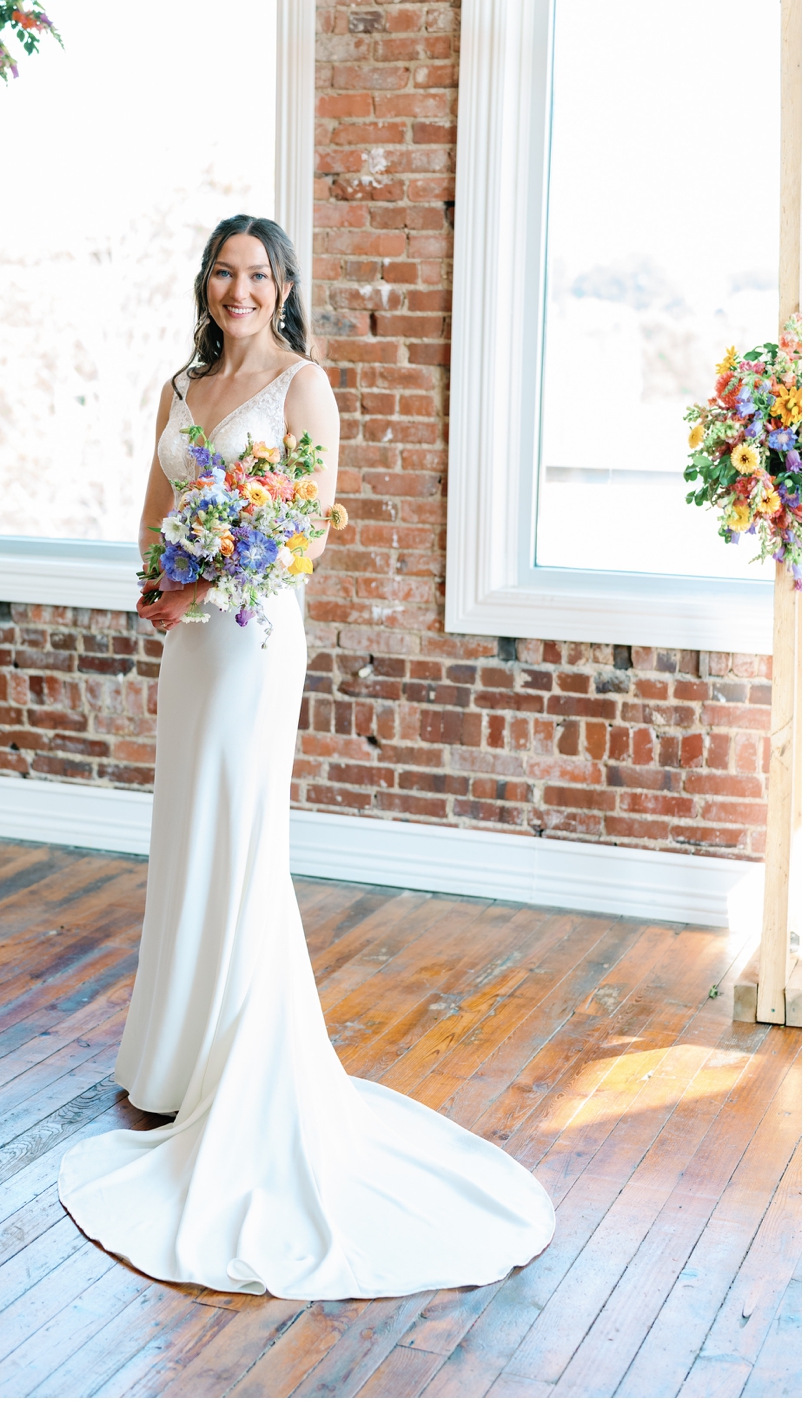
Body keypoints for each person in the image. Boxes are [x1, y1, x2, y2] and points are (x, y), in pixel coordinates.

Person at [59, 214, 554, 1299]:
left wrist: (209, 583)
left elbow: (307, 533)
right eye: (224, 273)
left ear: (284, 288)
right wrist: (155, 586)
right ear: (207, 285)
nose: (239, 289)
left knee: (240, 833)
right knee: (186, 831)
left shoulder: (303, 384)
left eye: (258, 274)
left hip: (251, 635)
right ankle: (172, 1061)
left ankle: (238, 1062)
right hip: (188, 644)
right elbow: (156, 514)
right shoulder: (178, 390)